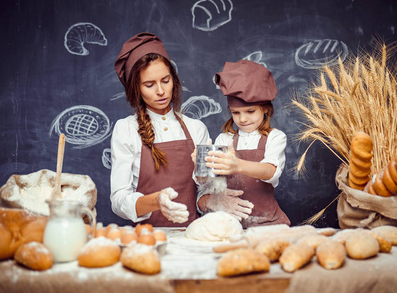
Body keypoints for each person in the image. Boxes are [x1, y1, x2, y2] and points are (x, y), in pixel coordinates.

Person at [110, 32, 210, 226]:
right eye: (149, 85)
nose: (161, 91)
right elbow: (118, 199)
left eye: (165, 80)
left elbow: (207, 189)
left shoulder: (197, 128)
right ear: (136, 89)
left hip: (190, 236)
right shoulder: (126, 130)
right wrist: (156, 202)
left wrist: (214, 197)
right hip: (146, 239)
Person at [197, 60, 290, 227]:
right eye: (236, 113)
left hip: (268, 224)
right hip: (231, 223)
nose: (243, 119)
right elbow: (205, 182)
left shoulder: (275, 137)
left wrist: (237, 165)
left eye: (250, 111)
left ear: (265, 109)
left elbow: (270, 172)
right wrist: (200, 164)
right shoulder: (224, 139)